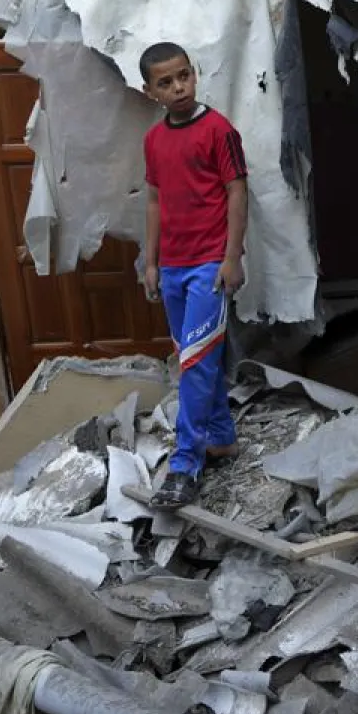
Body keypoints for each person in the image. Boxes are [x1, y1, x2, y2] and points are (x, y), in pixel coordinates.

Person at [138, 42, 249, 510]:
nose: (179, 87)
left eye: (184, 75)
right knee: (193, 357)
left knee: (197, 364)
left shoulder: (218, 130)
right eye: (166, 82)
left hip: (209, 264)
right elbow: (154, 201)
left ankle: (185, 466)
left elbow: (237, 191)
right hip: (172, 267)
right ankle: (221, 437)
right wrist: (150, 262)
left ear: (194, 74)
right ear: (150, 91)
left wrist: (232, 257)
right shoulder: (154, 140)